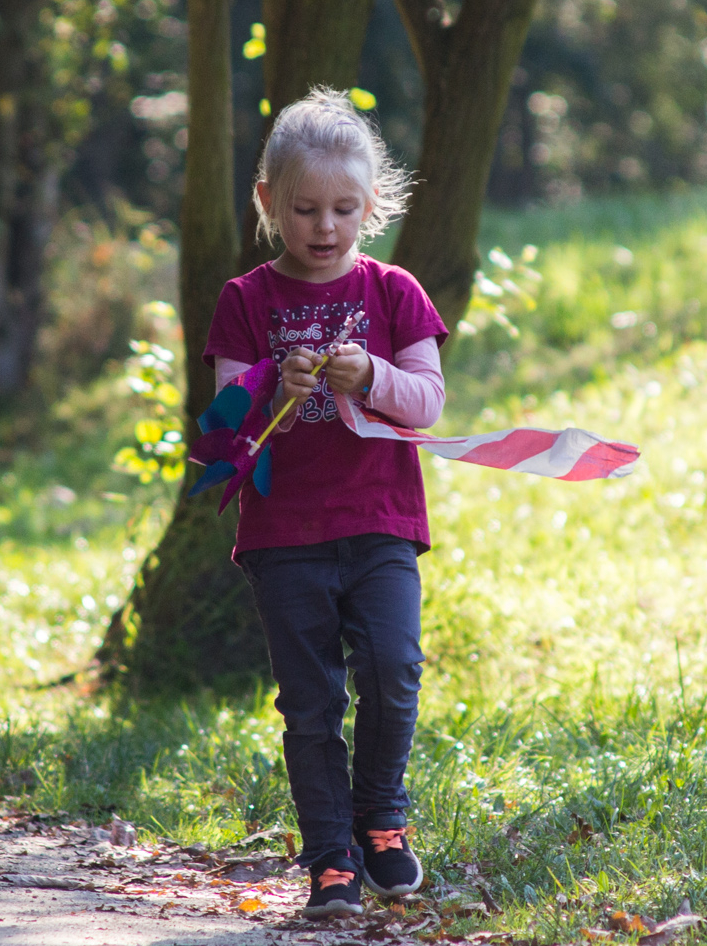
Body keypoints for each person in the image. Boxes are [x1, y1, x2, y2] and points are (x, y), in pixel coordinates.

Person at [204, 87, 448, 919]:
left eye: (344, 208)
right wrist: (276, 387)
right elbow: (226, 431)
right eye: (305, 208)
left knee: (393, 668)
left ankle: (381, 817)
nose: (325, 226)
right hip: (284, 537)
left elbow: (428, 401)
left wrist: (372, 374)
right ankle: (330, 859)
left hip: (381, 523)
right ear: (268, 200)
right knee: (311, 704)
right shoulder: (246, 300)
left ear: (371, 204)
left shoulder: (395, 292)